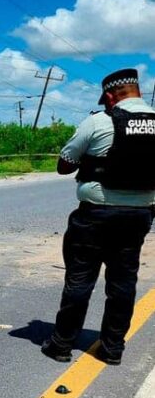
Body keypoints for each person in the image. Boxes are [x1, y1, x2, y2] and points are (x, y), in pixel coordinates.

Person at [41, 68, 155, 365]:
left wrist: (94, 159)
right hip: (138, 216)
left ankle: (61, 344)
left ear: (109, 96)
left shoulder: (99, 121)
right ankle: (112, 348)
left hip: (96, 215)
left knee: (80, 280)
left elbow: (64, 165)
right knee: (123, 283)